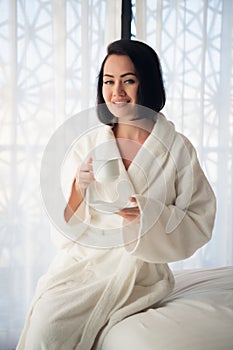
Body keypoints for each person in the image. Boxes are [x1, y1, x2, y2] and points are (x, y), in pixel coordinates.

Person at [16, 39, 216, 350]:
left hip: (141, 274)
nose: (117, 92)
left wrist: (149, 215)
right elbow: (65, 229)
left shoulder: (176, 148)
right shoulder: (89, 145)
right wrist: (78, 188)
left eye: (129, 80)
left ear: (146, 83)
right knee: (48, 327)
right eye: (109, 81)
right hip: (86, 265)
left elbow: (200, 219)